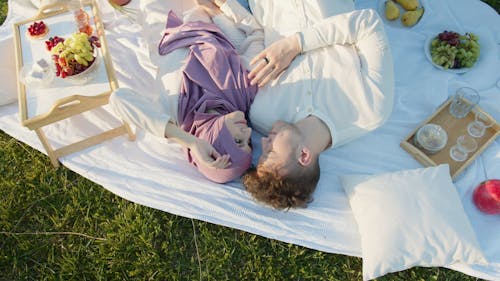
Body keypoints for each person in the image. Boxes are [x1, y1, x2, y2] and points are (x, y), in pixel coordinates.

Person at [198, 0, 395, 209]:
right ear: (304, 155)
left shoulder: (263, 114)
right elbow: (368, 24)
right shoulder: (371, 110)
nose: (263, 142)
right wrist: (295, 45)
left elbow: (252, 40)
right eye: (270, 152)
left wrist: (220, 9)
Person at [109, 7, 260, 183]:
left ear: (213, 142)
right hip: (203, 12)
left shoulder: (174, 117)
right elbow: (256, 37)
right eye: (248, 142)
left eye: (238, 140)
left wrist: (191, 142)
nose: (248, 131)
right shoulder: (244, 93)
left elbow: (118, 99)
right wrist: (219, 8)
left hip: (162, 27)